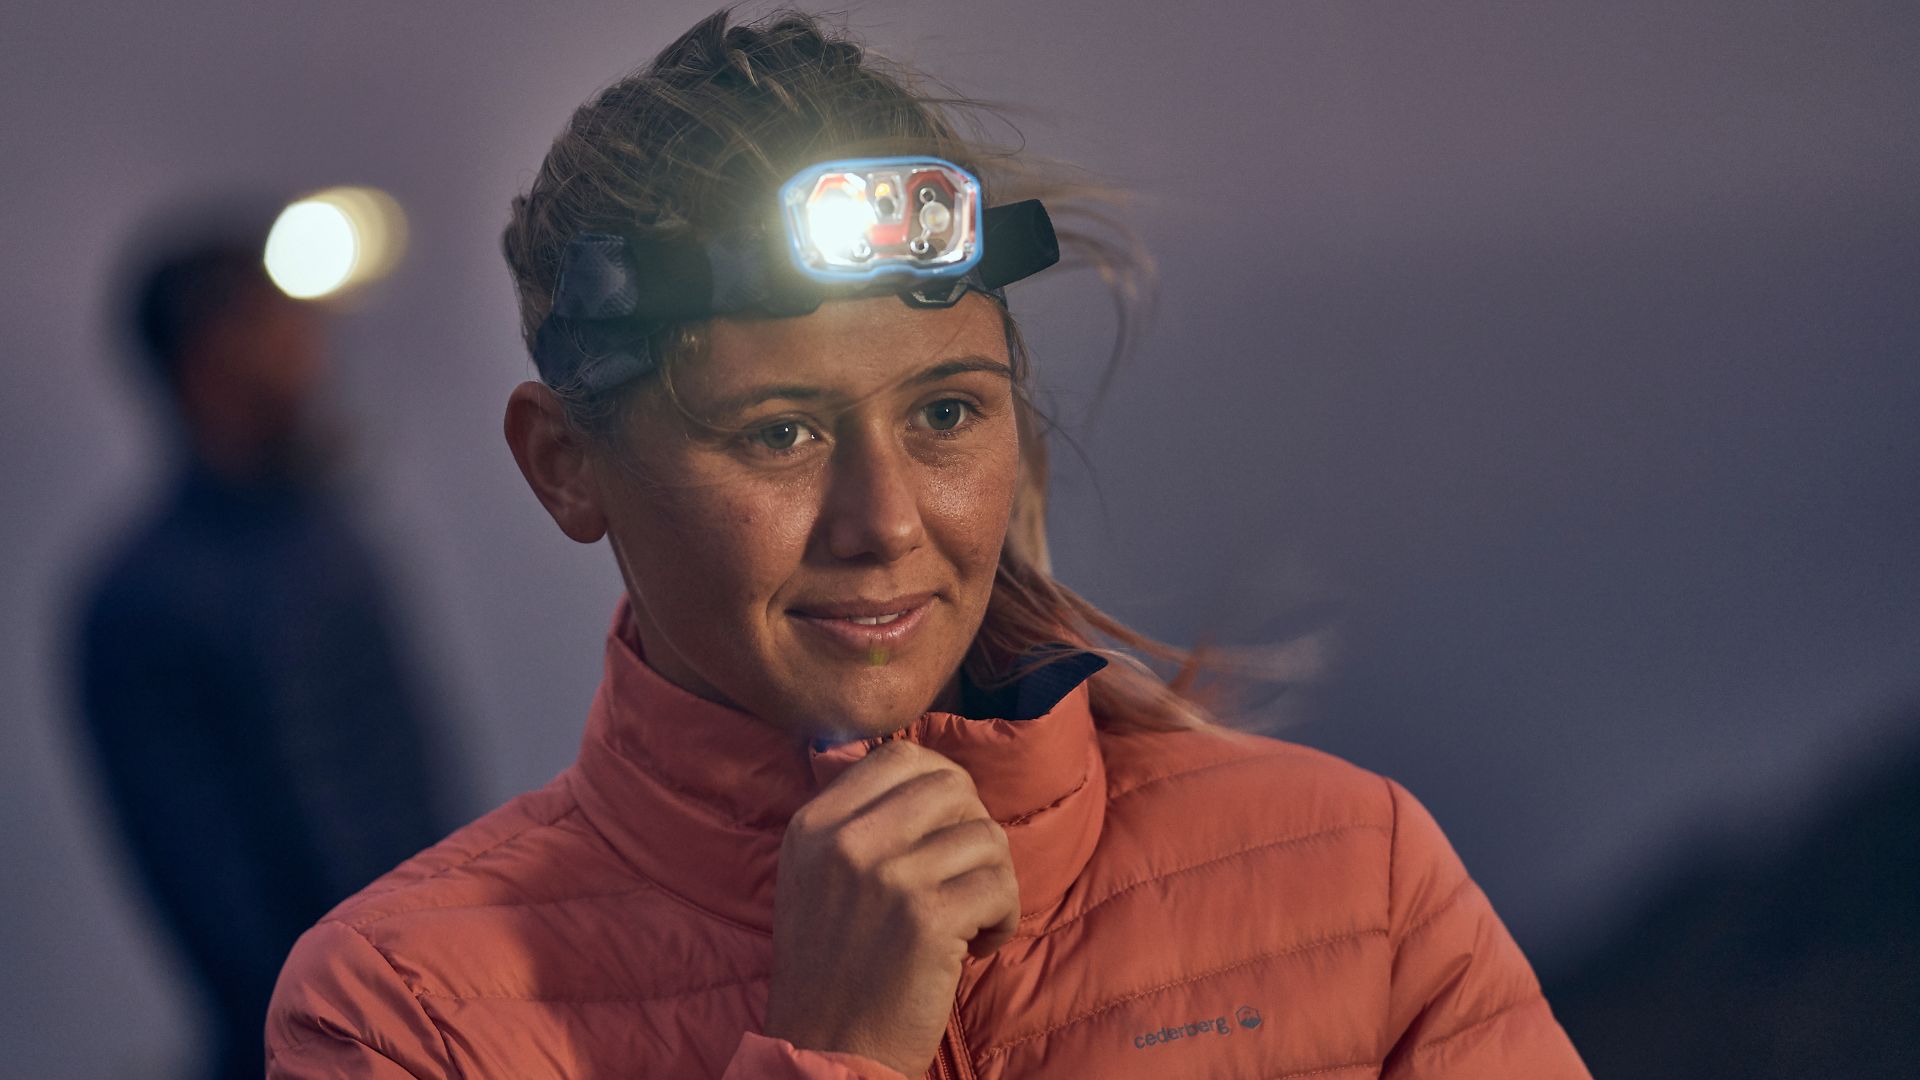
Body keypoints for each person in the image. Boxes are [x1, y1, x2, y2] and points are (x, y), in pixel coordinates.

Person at [266, 7, 1591, 1077]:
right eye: (779, 433)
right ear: (564, 466)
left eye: (947, 413)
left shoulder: (1354, 877)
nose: (888, 520)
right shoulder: (401, 1014)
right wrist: (832, 1053)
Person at [72, 223, 454, 1080]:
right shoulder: (144, 599)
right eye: (274, 321)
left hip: (438, 1013)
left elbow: (413, 783)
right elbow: (208, 888)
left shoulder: (332, 542)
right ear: (206, 359)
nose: (308, 347)